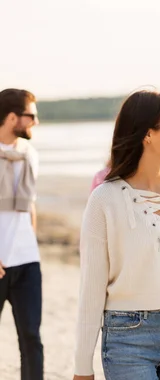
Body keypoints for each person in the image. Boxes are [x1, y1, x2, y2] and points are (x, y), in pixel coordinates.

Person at [73, 89, 160, 380]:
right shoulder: (104, 199)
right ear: (147, 134)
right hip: (127, 339)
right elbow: (91, 287)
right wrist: (82, 366)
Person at [0, 88, 44, 380]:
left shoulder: (30, 155)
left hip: (27, 262)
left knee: (31, 338)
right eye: (31, 115)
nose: (35, 122)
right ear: (13, 117)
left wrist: (32, 242)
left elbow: (30, 206)